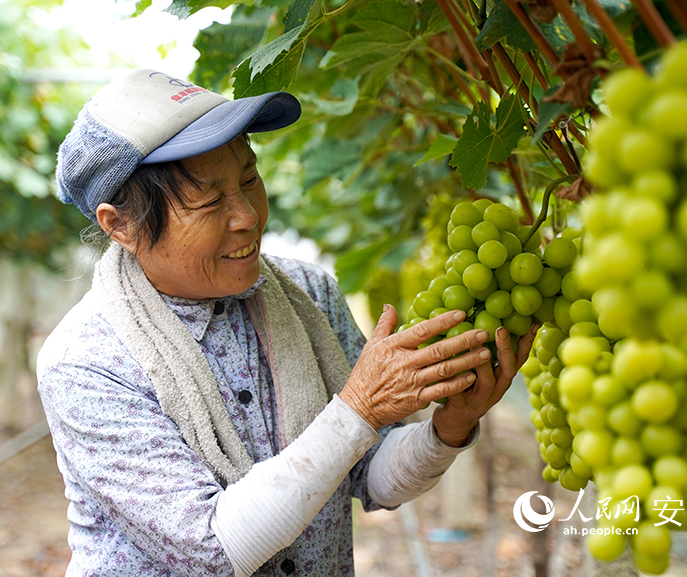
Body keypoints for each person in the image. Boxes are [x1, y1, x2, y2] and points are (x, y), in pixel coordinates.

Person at [37, 69, 537, 577]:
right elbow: (215, 548)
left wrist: (451, 424)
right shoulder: (86, 362)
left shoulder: (309, 294)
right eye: (210, 201)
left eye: (250, 180)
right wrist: (358, 408)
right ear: (120, 224)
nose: (248, 216)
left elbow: (372, 478)